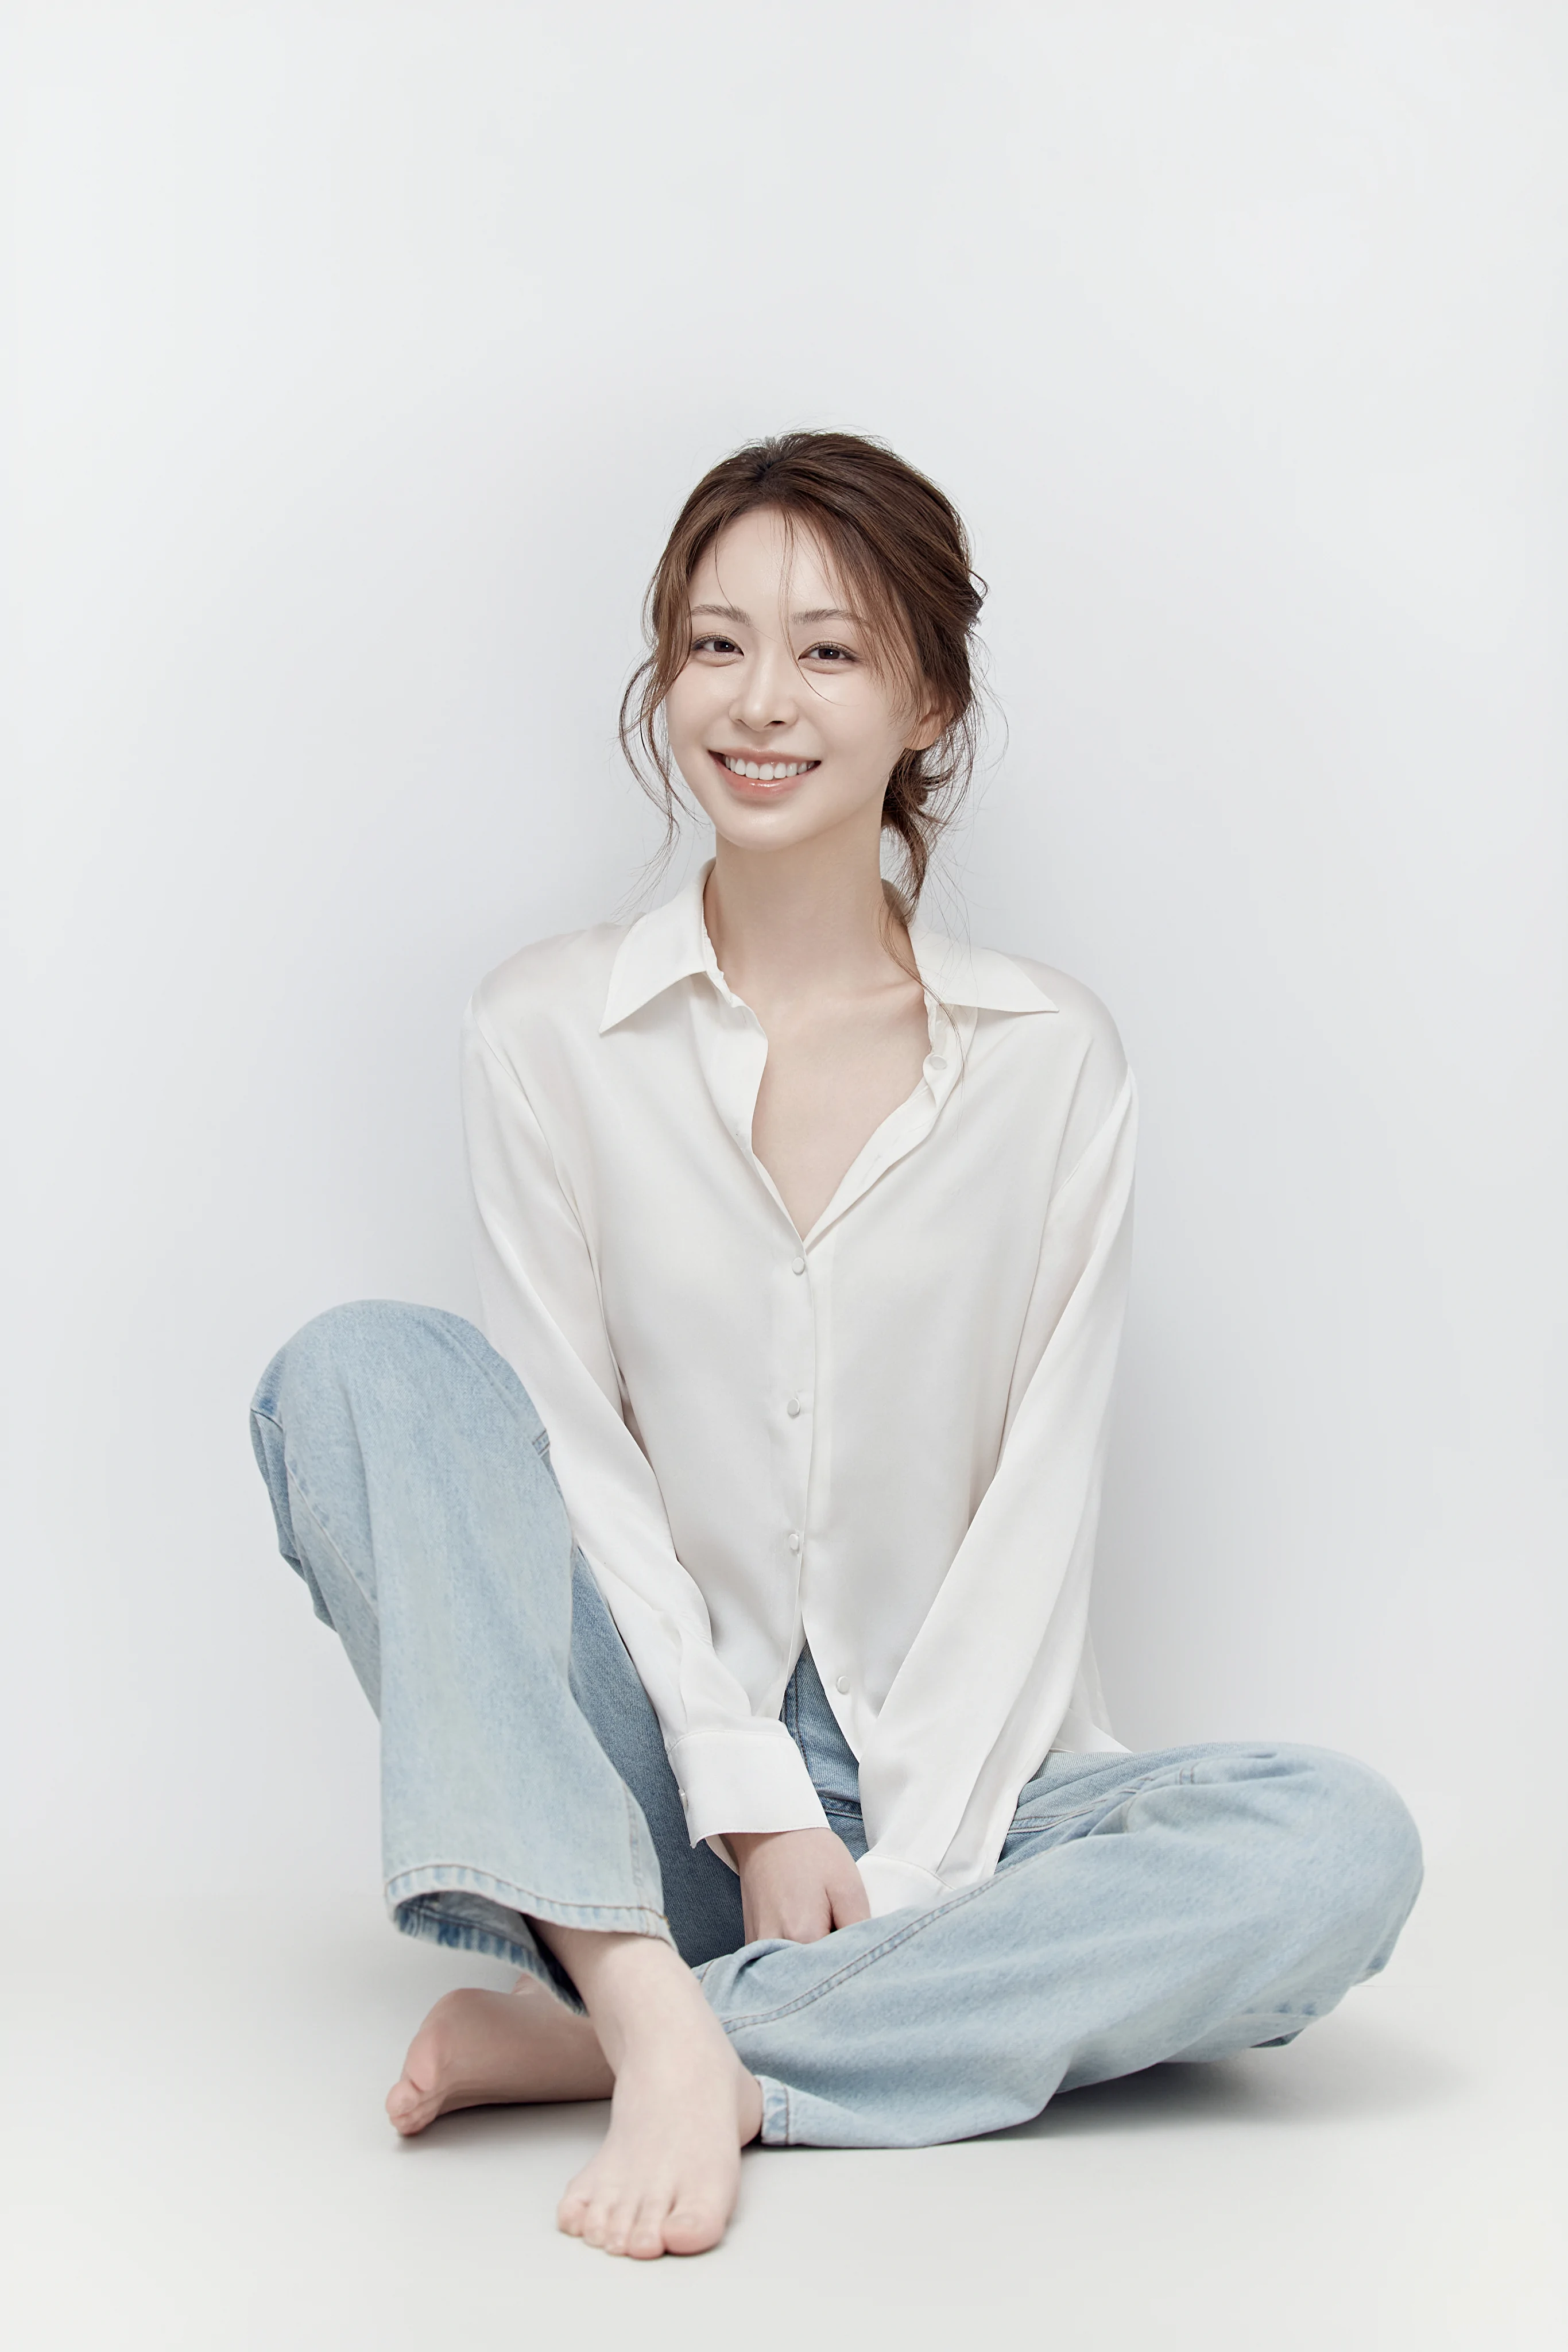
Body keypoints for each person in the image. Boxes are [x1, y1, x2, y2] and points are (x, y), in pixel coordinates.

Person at [250, 430, 1422, 2262]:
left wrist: (909, 1867)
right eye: (714, 646)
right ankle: (655, 1989)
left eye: (828, 651)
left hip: (959, 1780)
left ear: (928, 699)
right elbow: (581, 1466)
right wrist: (745, 1803)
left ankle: (646, 2043)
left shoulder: (1052, 1060)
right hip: (645, 1776)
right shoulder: (546, 1028)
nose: (759, 702)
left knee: (1339, 1846)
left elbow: (1038, 1507)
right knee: (362, 1367)